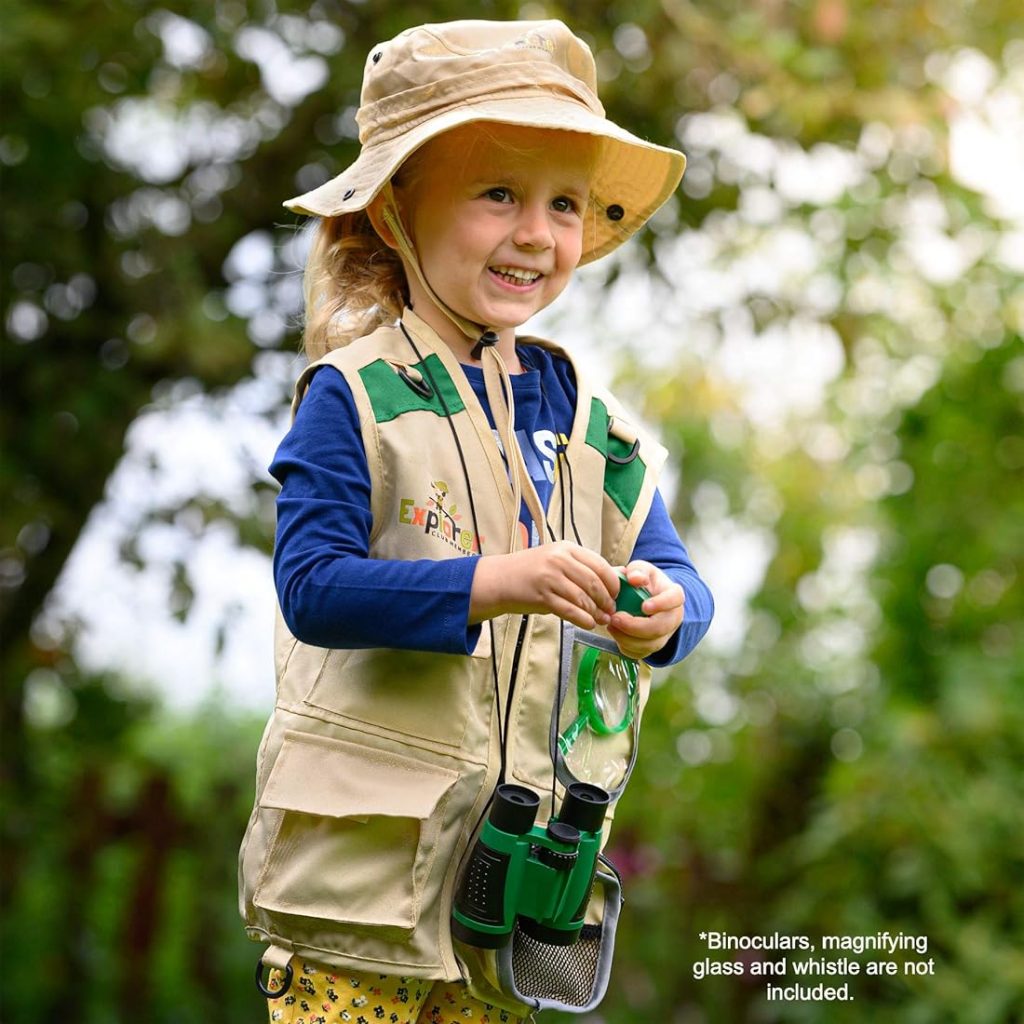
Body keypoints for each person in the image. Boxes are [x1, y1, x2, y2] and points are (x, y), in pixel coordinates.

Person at [239, 18, 714, 1024]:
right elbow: (311, 586)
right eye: (499, 192)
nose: (537, 233)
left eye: (566, 204)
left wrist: (666, 610)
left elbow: (677, 576)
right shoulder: (354, 396)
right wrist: (496, 582)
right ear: (398, 204)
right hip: (356, 904)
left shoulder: (597, 427)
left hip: (507, 918)